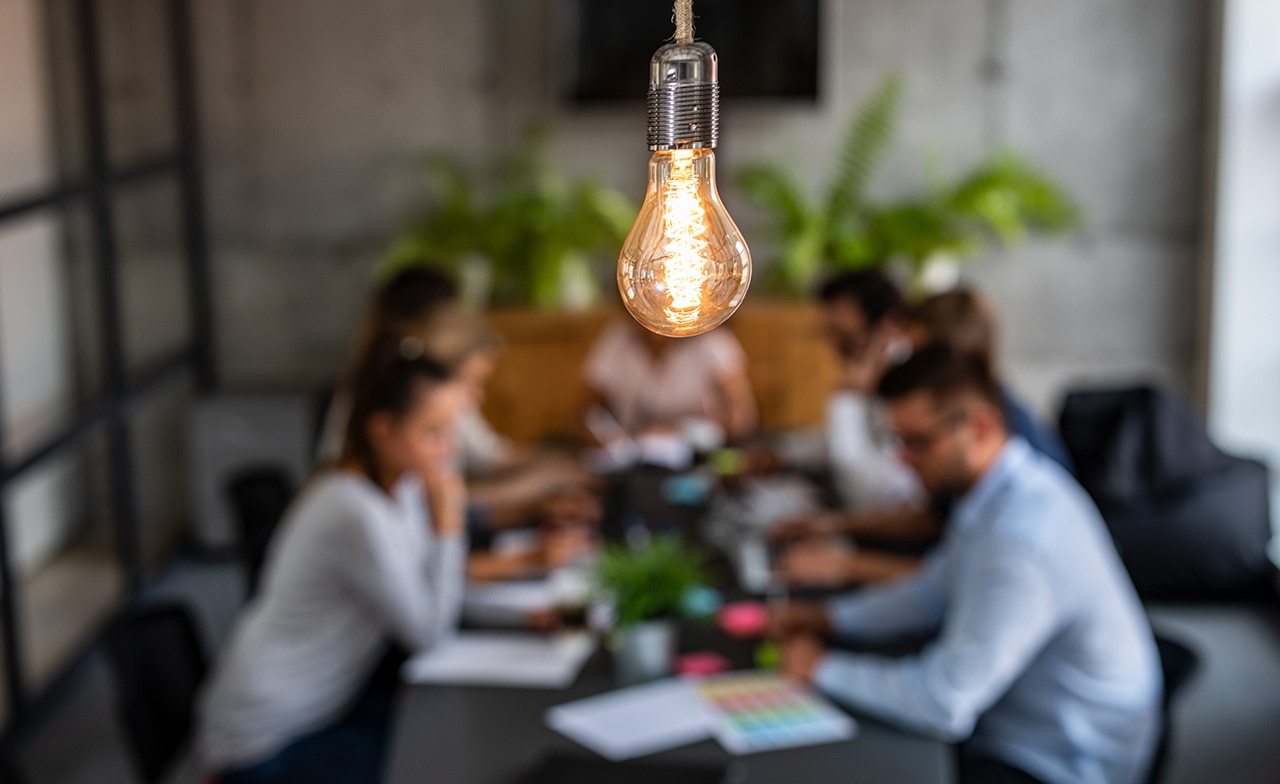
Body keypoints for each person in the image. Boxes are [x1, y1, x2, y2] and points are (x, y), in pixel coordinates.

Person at [771, 344, 1162, 784]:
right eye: (897, 440)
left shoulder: (1022, 541)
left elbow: (943, 703)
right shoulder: (1001, 492)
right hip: (1021, 727)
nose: (901, 458)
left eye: (917, 442)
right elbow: (934, 589)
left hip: (1056, 763)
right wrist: (831, 618)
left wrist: (819, 667)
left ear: (979, 427)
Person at [198, 335, 469, 784]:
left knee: (439, 737)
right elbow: (428, 633)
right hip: (264, 741)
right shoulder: (351, 509)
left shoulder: (396, 488)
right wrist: (450, 524)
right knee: (440, 762)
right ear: (382, 430)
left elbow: (424, 585)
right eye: (432, 433)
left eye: (449, 431)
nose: (449, 450)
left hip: (321, 709)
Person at [583, 317, 757, 442]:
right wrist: (604, 437)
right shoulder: (618, 338)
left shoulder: (712, 340)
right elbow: (584, 412)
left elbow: (743, 415)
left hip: (698, 460)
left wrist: (688, 430)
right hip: (631, 464)